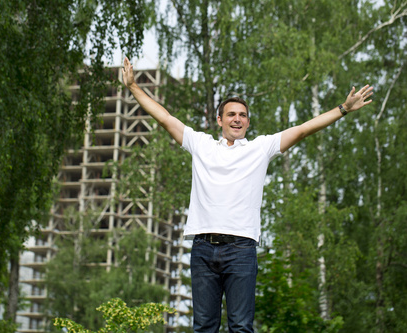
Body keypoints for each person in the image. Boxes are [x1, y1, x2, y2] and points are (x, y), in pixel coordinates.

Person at [121, 57, 373, 332]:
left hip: (241, 250)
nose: (237, 119)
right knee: (203, 327)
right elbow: (165, 118)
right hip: (203, 249)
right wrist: (133, 86)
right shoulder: (201, 144)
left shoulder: (260, 148)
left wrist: (343, 109)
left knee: (241, 326)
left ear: (248, 122)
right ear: (219, 120)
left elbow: (302, 130)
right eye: (231, 114)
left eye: (242, 115)